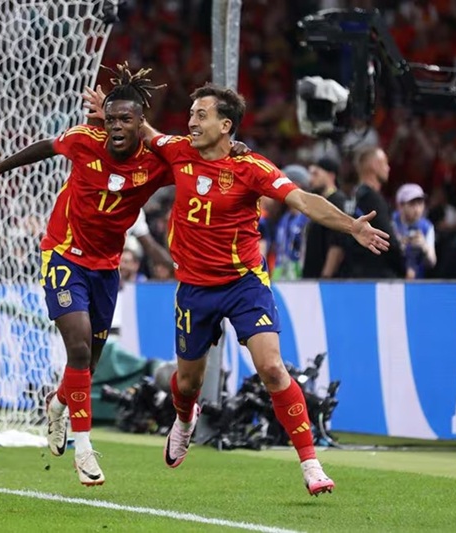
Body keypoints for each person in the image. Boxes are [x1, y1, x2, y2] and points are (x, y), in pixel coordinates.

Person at [85, 83, 390, 496]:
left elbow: (302, 200)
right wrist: (108, 112)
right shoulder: (178, 151)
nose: (192, 122)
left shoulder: (251, 167)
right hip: (195, 287)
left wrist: (351, 225)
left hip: (244, 284)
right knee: (187, 383)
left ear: (225, 125)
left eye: (201, 115)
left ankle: (311, 464)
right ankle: (185, 420)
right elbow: (145, 131)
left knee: (272, 368)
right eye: (191, 114)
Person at [0, 65, 173, 487]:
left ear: (141, 123)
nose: (116, 127)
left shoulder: (155, 163)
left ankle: (59, 403)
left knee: (88, 364)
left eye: (126, 120)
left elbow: (193, 162)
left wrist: (231, 149)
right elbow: (44, 147)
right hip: (64, 254)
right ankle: (84, 450)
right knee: (78, 349)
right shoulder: (85, 141)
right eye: (111, 119)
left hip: (106, 267)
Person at [342, 145, 405, 278]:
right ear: (374, 166)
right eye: (385, 163)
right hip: (376, 275)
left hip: (354, 272)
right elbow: (387, 239)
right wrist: (404, 267)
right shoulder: (371, 198)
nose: (388, 168)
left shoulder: (353, 196)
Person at [302, 157, 348, 278]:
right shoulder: (319, 203)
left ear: (331, 176)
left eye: (316, 174)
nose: (311, 179)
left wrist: (326, 276)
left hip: (325, 279)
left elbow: (337, 244)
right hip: (312, 277)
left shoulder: (337, 202)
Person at [392, 183, 436, 279]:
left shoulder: (427, 227)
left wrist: (424, 247)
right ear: (400, 206)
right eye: (412, 204)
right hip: (394, 278)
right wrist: (398, 244)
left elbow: (432, 262)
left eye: (420, 203)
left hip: (417, 281)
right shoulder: (391, 222)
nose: (417, 209)